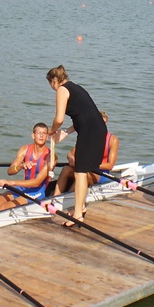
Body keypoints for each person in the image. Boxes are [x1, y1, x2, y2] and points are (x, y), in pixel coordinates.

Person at [46, 65, 107, 227]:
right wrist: (66, 132)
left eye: (50, 84)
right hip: (96, 129)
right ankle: (81, 207)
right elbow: (84, 116)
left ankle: (78, 215)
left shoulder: (62, 90)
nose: (52, 88)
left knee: (80, 172)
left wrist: (52, 131)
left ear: (54, 81)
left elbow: (59, 118)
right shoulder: (76, 87)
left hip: (90, 132)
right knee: (82, 171)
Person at [0, 123, 53, 217]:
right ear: (33, 135)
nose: (41, 135)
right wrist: (21, 166)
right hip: (23, 187)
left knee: (4, 207)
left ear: (47, 137)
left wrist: (11, 183)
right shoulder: (24, 149)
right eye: (39, 133)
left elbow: (36, 182)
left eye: (44, 133)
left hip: (37, 192)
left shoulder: (51, 157)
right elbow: (10, 171)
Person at [54, 110, 119, 195]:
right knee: (66, 169)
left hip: (101, 174)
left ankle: (68, 196)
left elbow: (110, 165)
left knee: (82, 174)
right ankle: (55, 196)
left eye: (104, 123)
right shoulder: (86, 136)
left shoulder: (112, 140)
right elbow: (70, 154)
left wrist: (90, 165)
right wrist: (71, 159)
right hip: (85, 169)